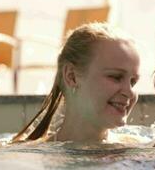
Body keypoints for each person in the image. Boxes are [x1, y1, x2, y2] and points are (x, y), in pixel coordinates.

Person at [12, 22, 140, 143]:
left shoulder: (145, 149)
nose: (129, 92)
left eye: (133, 82)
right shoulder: (24, 157)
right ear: (71, 76)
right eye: (116, 77)